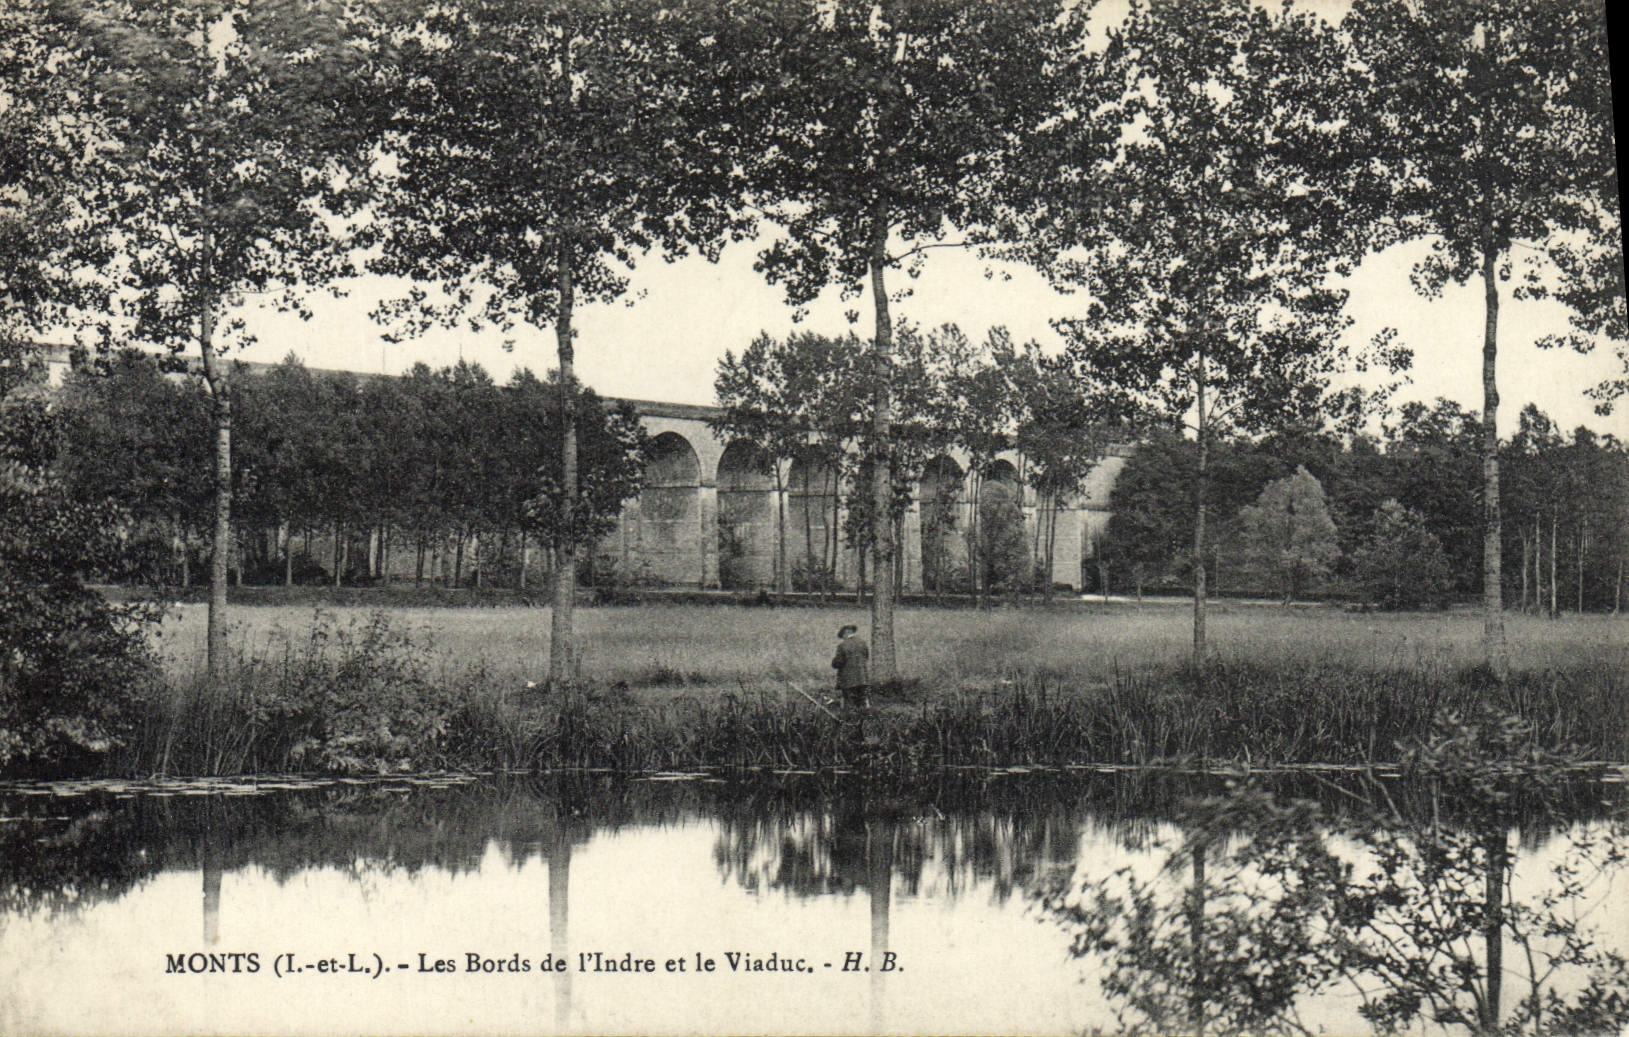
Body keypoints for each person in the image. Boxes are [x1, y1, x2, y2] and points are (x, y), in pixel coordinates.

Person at [831, 623, 869, 713]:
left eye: (842, 636)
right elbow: (866, 657)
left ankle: (849, 721)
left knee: (849, 703)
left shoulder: (842, 646)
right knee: (862, 702)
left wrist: (833, 663)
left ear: (845, 633)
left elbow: (838, 662)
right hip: (862, 678)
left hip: (848, 680)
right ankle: (863, 722)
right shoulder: (862, 643)